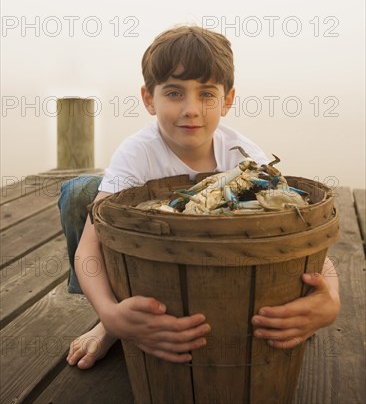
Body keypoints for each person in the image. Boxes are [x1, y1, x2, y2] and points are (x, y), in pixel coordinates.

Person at [58, 25, 340, 370]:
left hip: (221, 263)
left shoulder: (245, 156)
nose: (191, 109)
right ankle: (111, 323)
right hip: (150, 257)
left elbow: (304, 238)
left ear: (228, 100)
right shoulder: (138, 153)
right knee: (81, 192)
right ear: (149, 99)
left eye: (207, 94)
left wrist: (331, 301)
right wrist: (110, 314)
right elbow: (91, 246)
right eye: (175, 93)